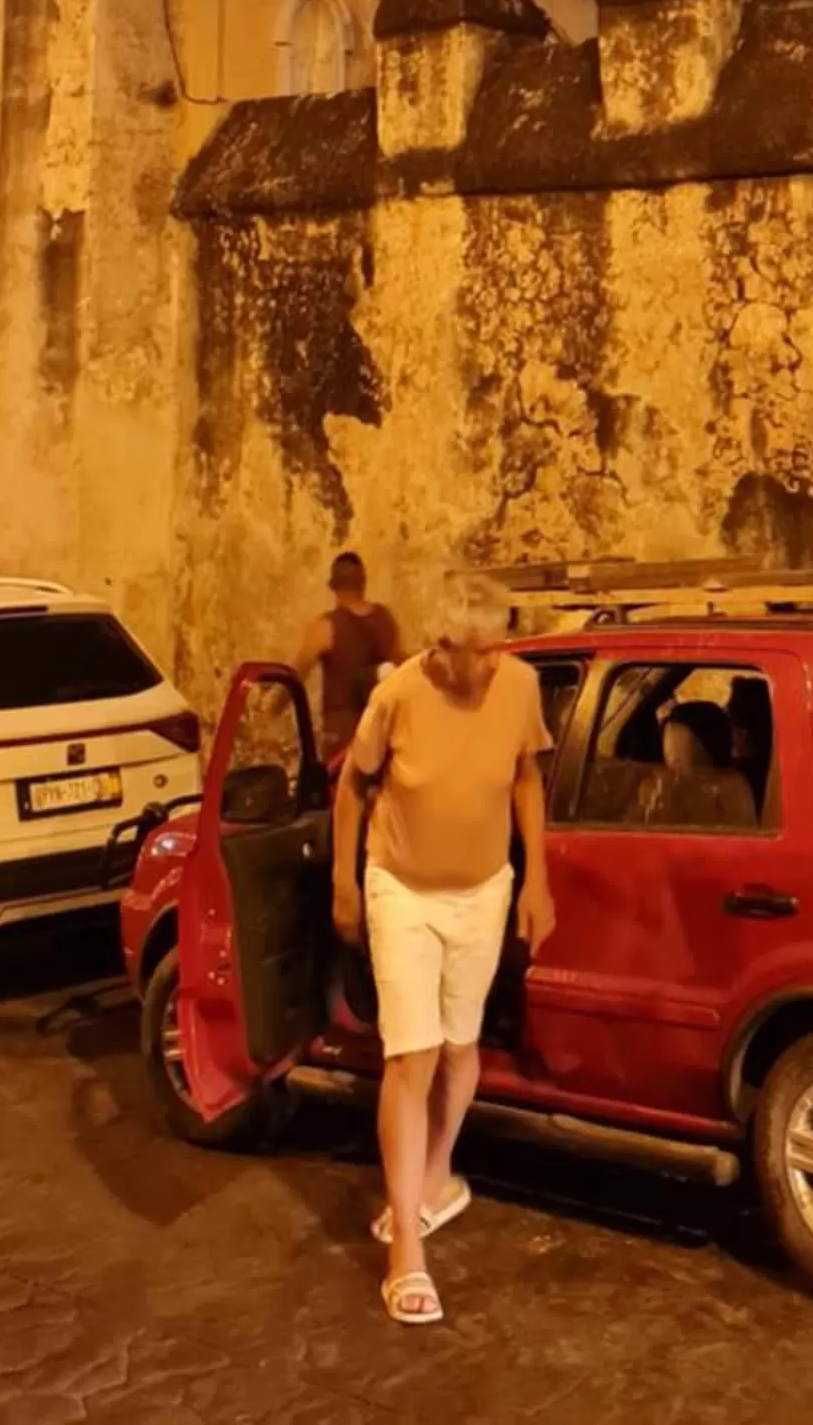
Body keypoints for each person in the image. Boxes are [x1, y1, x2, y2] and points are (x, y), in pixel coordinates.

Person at [332, 570, 554, 1327]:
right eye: (481, 651)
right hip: (401, 886)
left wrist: (535, 882)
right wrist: (343, 880)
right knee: (411, 1056)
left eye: (501, 648)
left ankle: (432, 1181)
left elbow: (526, 779)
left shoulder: (519, 686)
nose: (494, 663)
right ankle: (406, 1257)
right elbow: (352, 786)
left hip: (484, 890)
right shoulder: (396, 697)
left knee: (461, 1048)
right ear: (443, 646)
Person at [294, 550, 403, 761]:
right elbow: (402, 665)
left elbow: (296, 674)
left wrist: (271, 708)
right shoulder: (385, 619)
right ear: (363, 582)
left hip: (344, 740)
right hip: (384, 732)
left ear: (332, 586)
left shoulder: (326, 626)